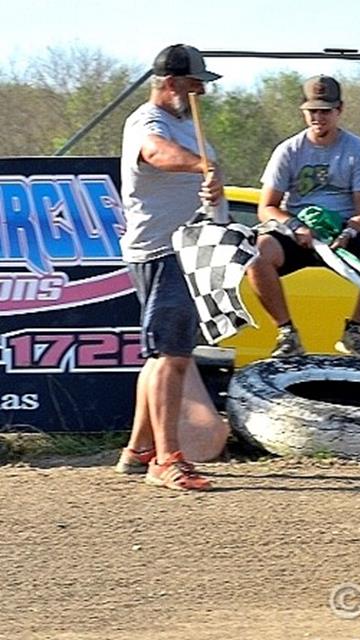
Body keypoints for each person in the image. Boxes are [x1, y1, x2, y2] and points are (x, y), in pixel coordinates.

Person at [115, 44, 226, 491]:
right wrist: (200, 164)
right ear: (172, 82)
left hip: (188, 249)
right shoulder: (150, 121)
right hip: (164, 251)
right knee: (171, 358)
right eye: (195, 82)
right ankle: (167, 459)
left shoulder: (184, 122)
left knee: (162, 354)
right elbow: (155, 153)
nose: (202, 90)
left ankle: (139, 449)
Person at [247, 75, 360, 359]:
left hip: (340, 232)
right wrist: (295, 226)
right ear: (303, 111)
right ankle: (287, 334)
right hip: (298, 233)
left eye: (325, 111)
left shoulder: (358, 150)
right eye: (312, 111)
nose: (318, 117)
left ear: (339, 110)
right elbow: (267, 207)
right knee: (256, 255)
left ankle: (355, 332)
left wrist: (348, 233)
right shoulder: (288, 150)